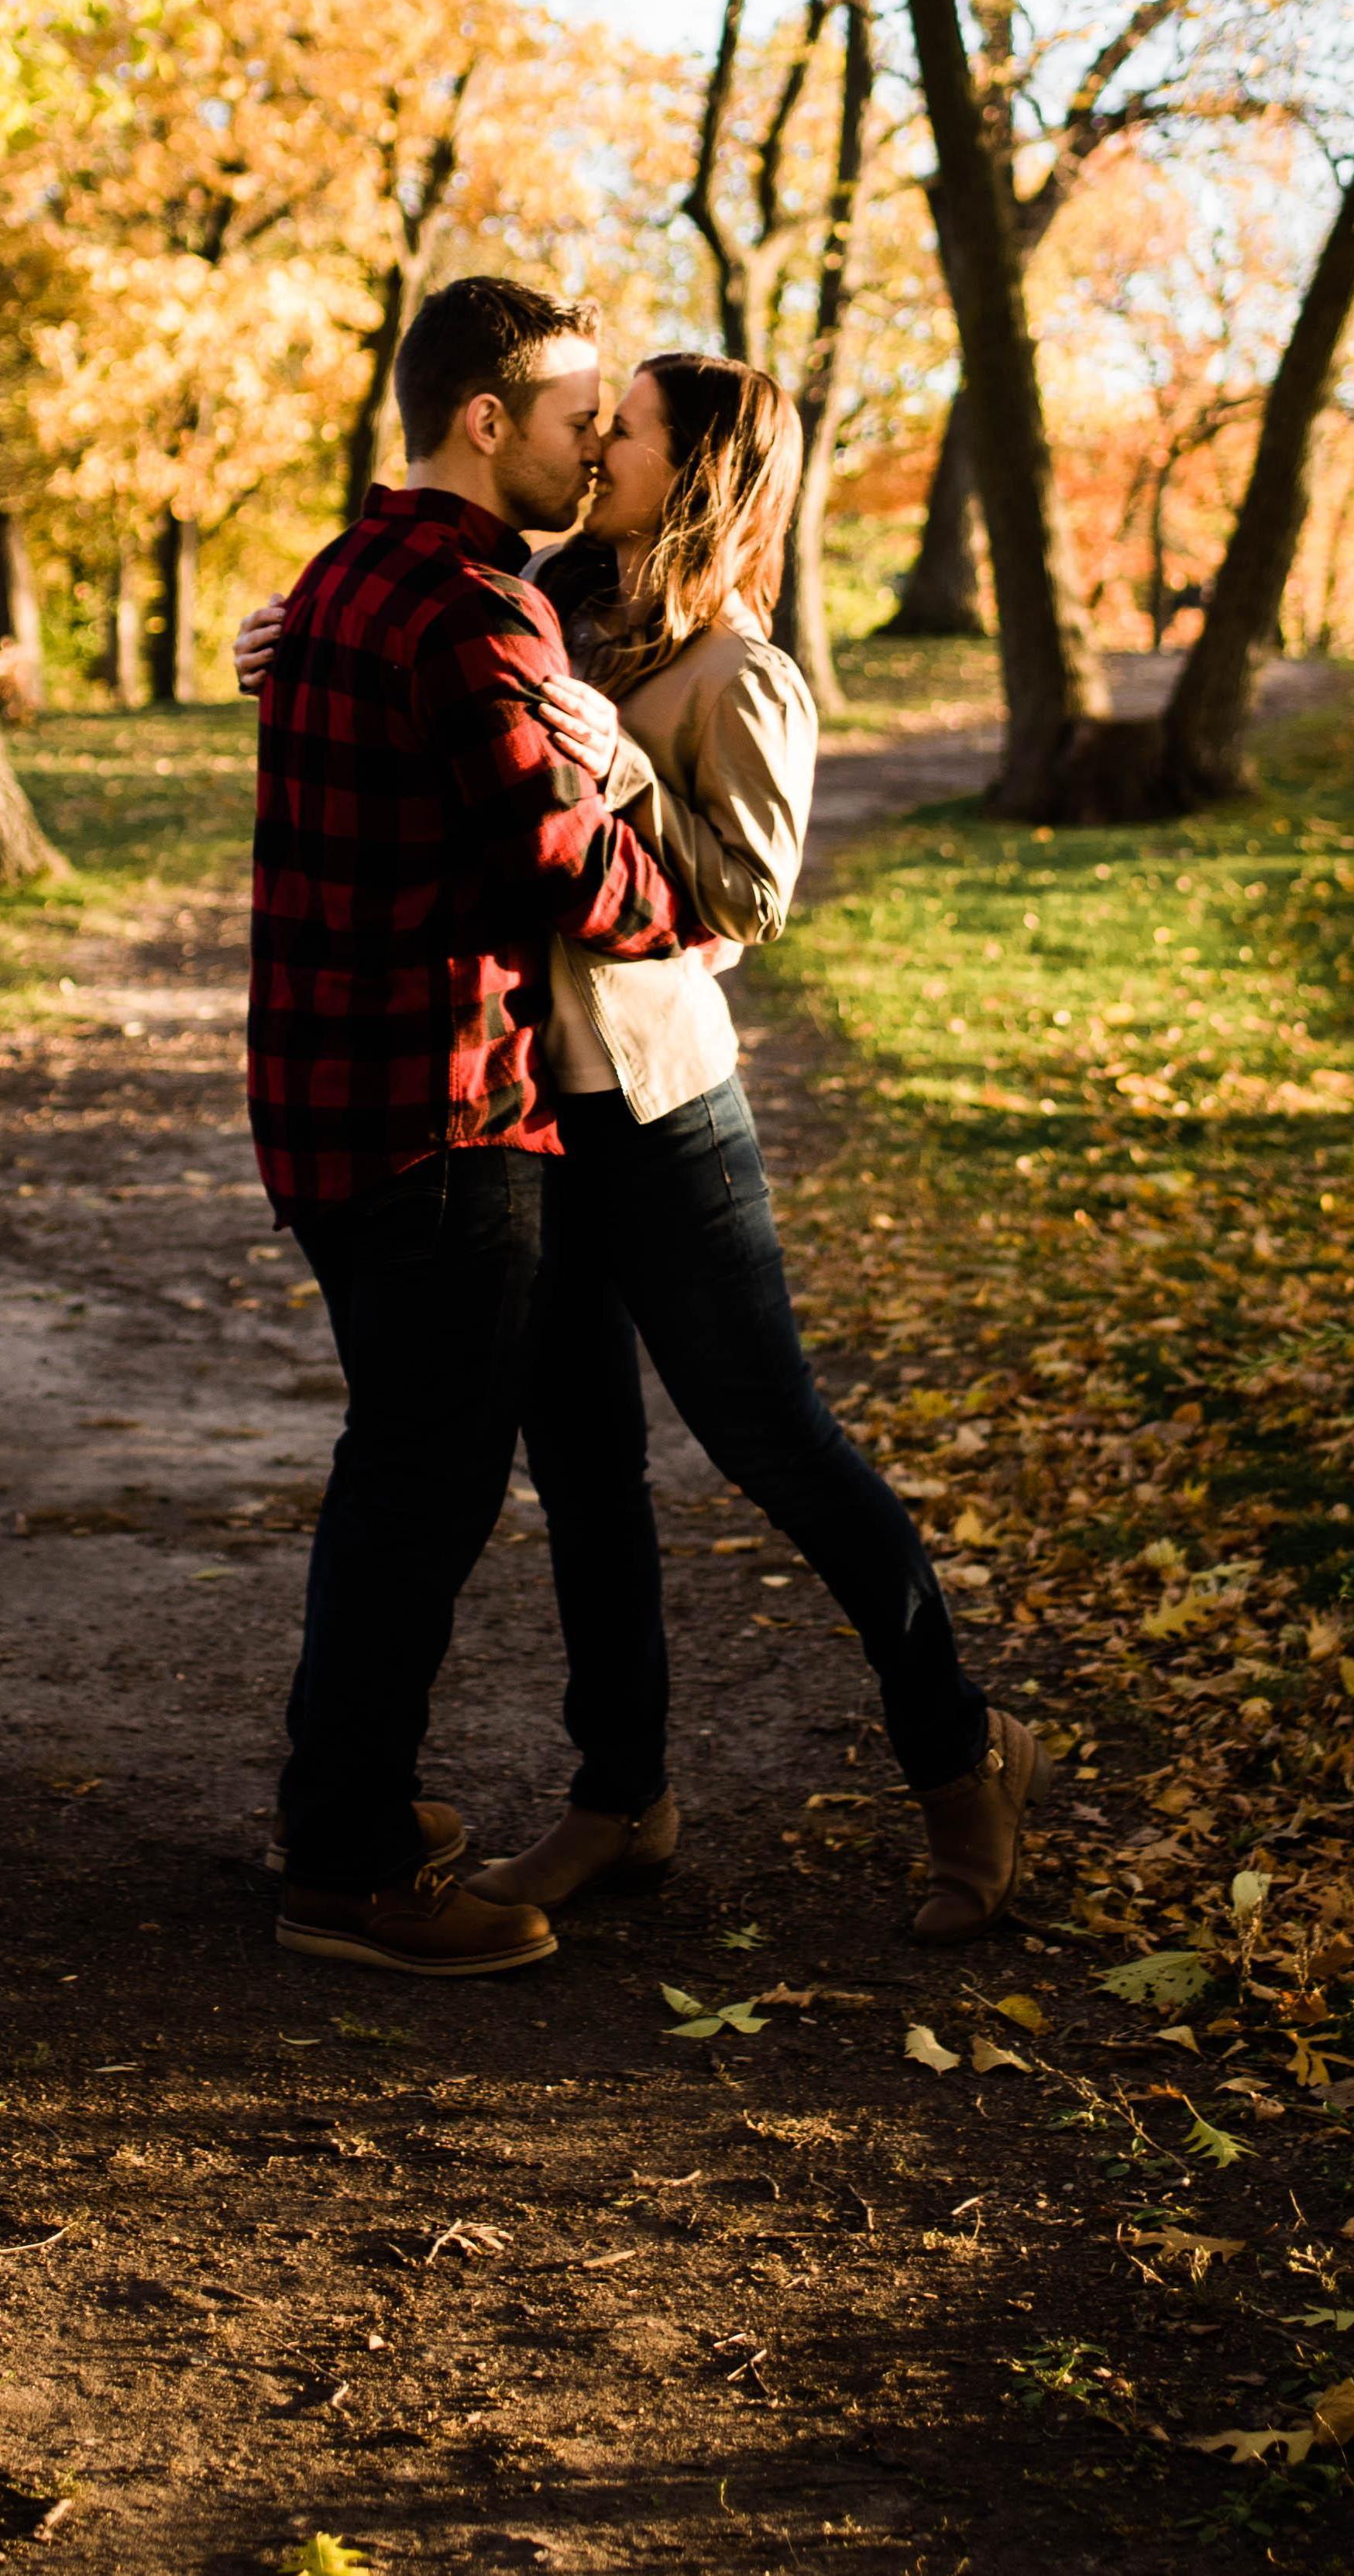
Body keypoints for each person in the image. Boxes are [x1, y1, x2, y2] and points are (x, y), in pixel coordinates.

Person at [232, 352, 1040, 1949]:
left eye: (630, 432)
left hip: (659, 1109)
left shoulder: (742, 670)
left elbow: (740, 910)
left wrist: (623, 767)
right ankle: (622, 1798)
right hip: (519, 1105)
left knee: (774, 1439)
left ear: (699, 471)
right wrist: (295, 644)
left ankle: (958, 1748)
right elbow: (444, 698)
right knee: (583, 1462)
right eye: (592, 423)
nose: (598, 447)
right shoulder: (553, 597)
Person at [242, 277, 686, 1980]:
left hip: (322, 1100)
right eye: (579, 413)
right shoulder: (471, 615)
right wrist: (692, 894)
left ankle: (334, 1804)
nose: (595, 441)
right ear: (486, 420)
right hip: (435, 1109)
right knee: (418, 1491)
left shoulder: (343, 574)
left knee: (395, 1467)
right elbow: (556, 862)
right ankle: (350, 1865)